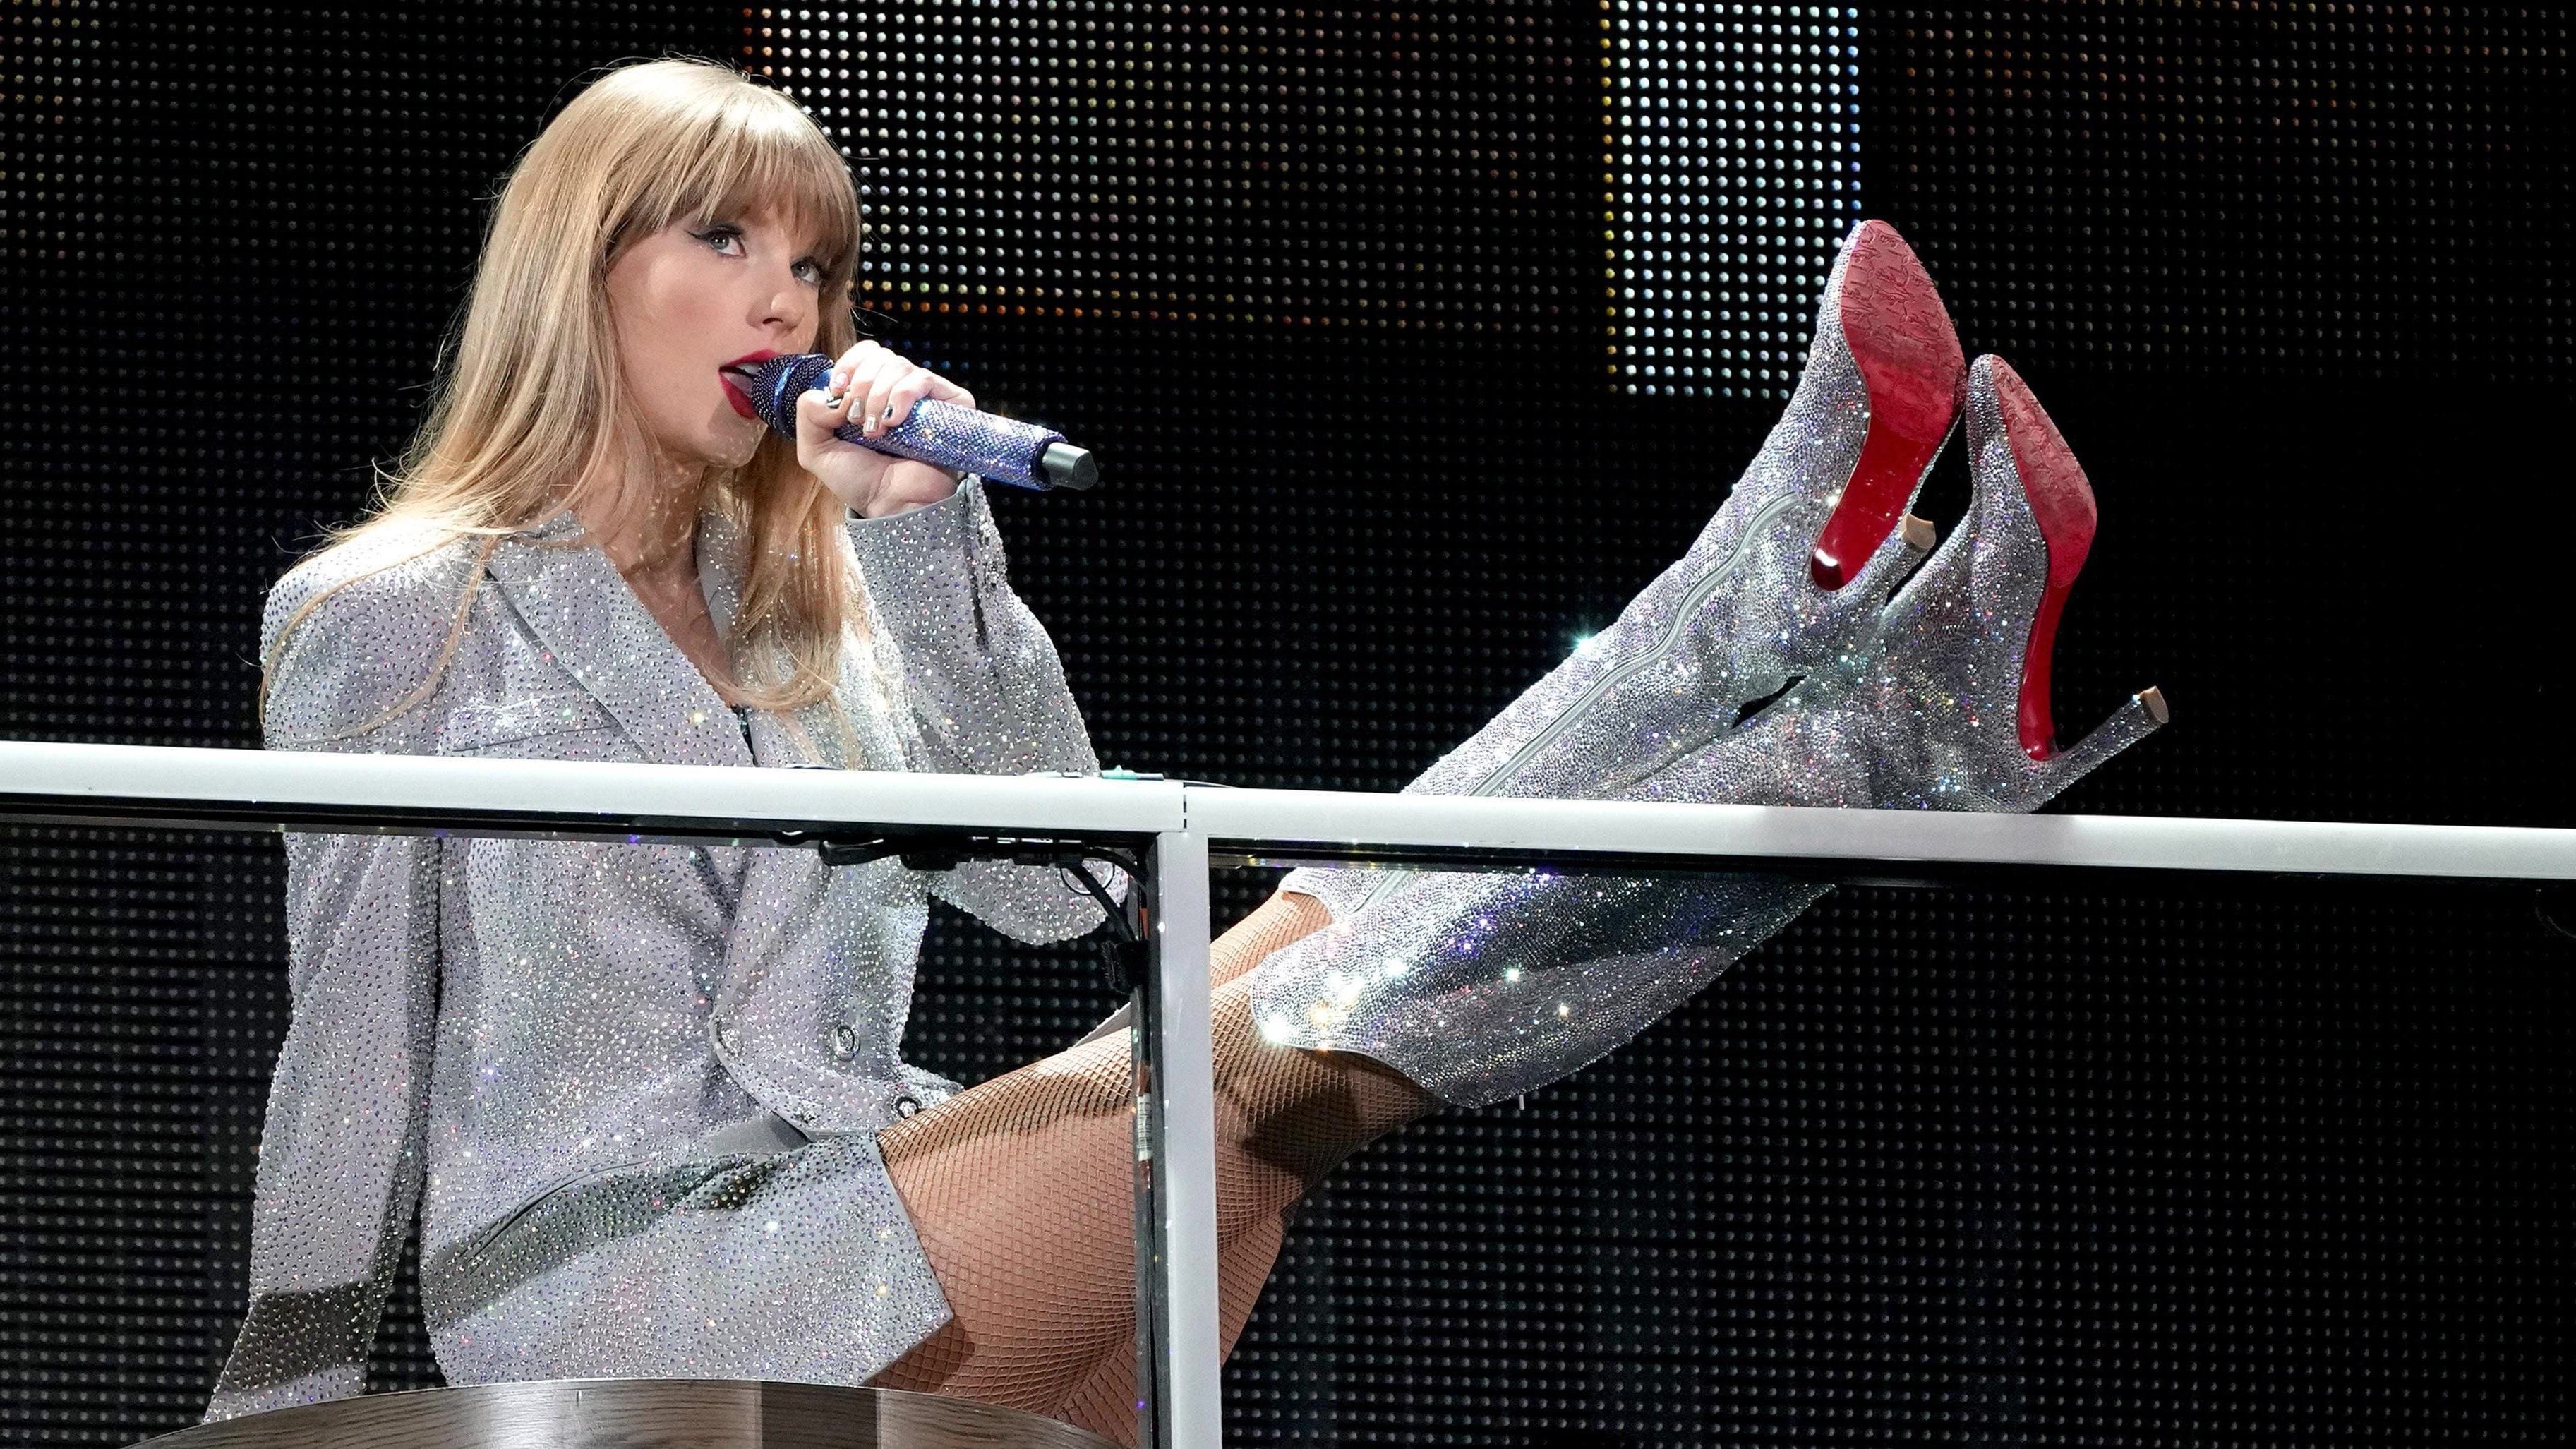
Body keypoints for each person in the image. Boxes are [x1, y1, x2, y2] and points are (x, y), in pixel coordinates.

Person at [214, 54, 2166, 1448]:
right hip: (606, 1290)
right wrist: (280, 1412)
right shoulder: (400, 612)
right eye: (724, 238)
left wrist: (915, 542)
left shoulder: (822, 611)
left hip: (856, 1202)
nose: (784, 300)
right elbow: (350, 1043)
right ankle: (1869, 710)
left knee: (1318, 926)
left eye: (814, 263)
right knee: (1267, 1054)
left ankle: (1819, 642)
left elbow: (1058, 894)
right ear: (580, 268)